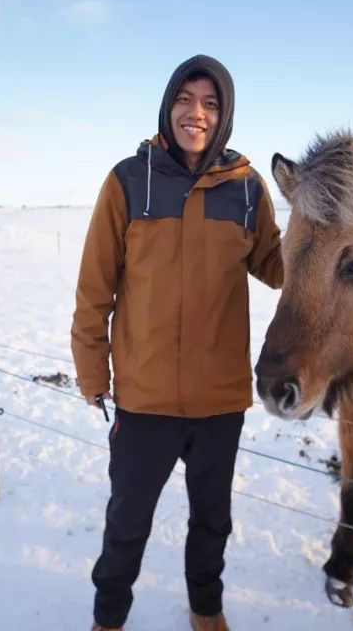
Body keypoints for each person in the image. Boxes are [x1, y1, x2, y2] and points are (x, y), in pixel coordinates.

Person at [71, 55, 284, 631]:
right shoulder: (127, 180)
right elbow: (95, 290)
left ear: (225, 115)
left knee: (213, 520)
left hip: (220, 400)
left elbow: (276, 264)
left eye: (211, 104)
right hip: (146, 398)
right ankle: (109, 617)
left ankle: (206, 610)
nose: (197, 114)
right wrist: (94, 375)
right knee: (127, 522)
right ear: (168, 106)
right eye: (186, 100)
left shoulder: (246, 188)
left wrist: (334, 243)